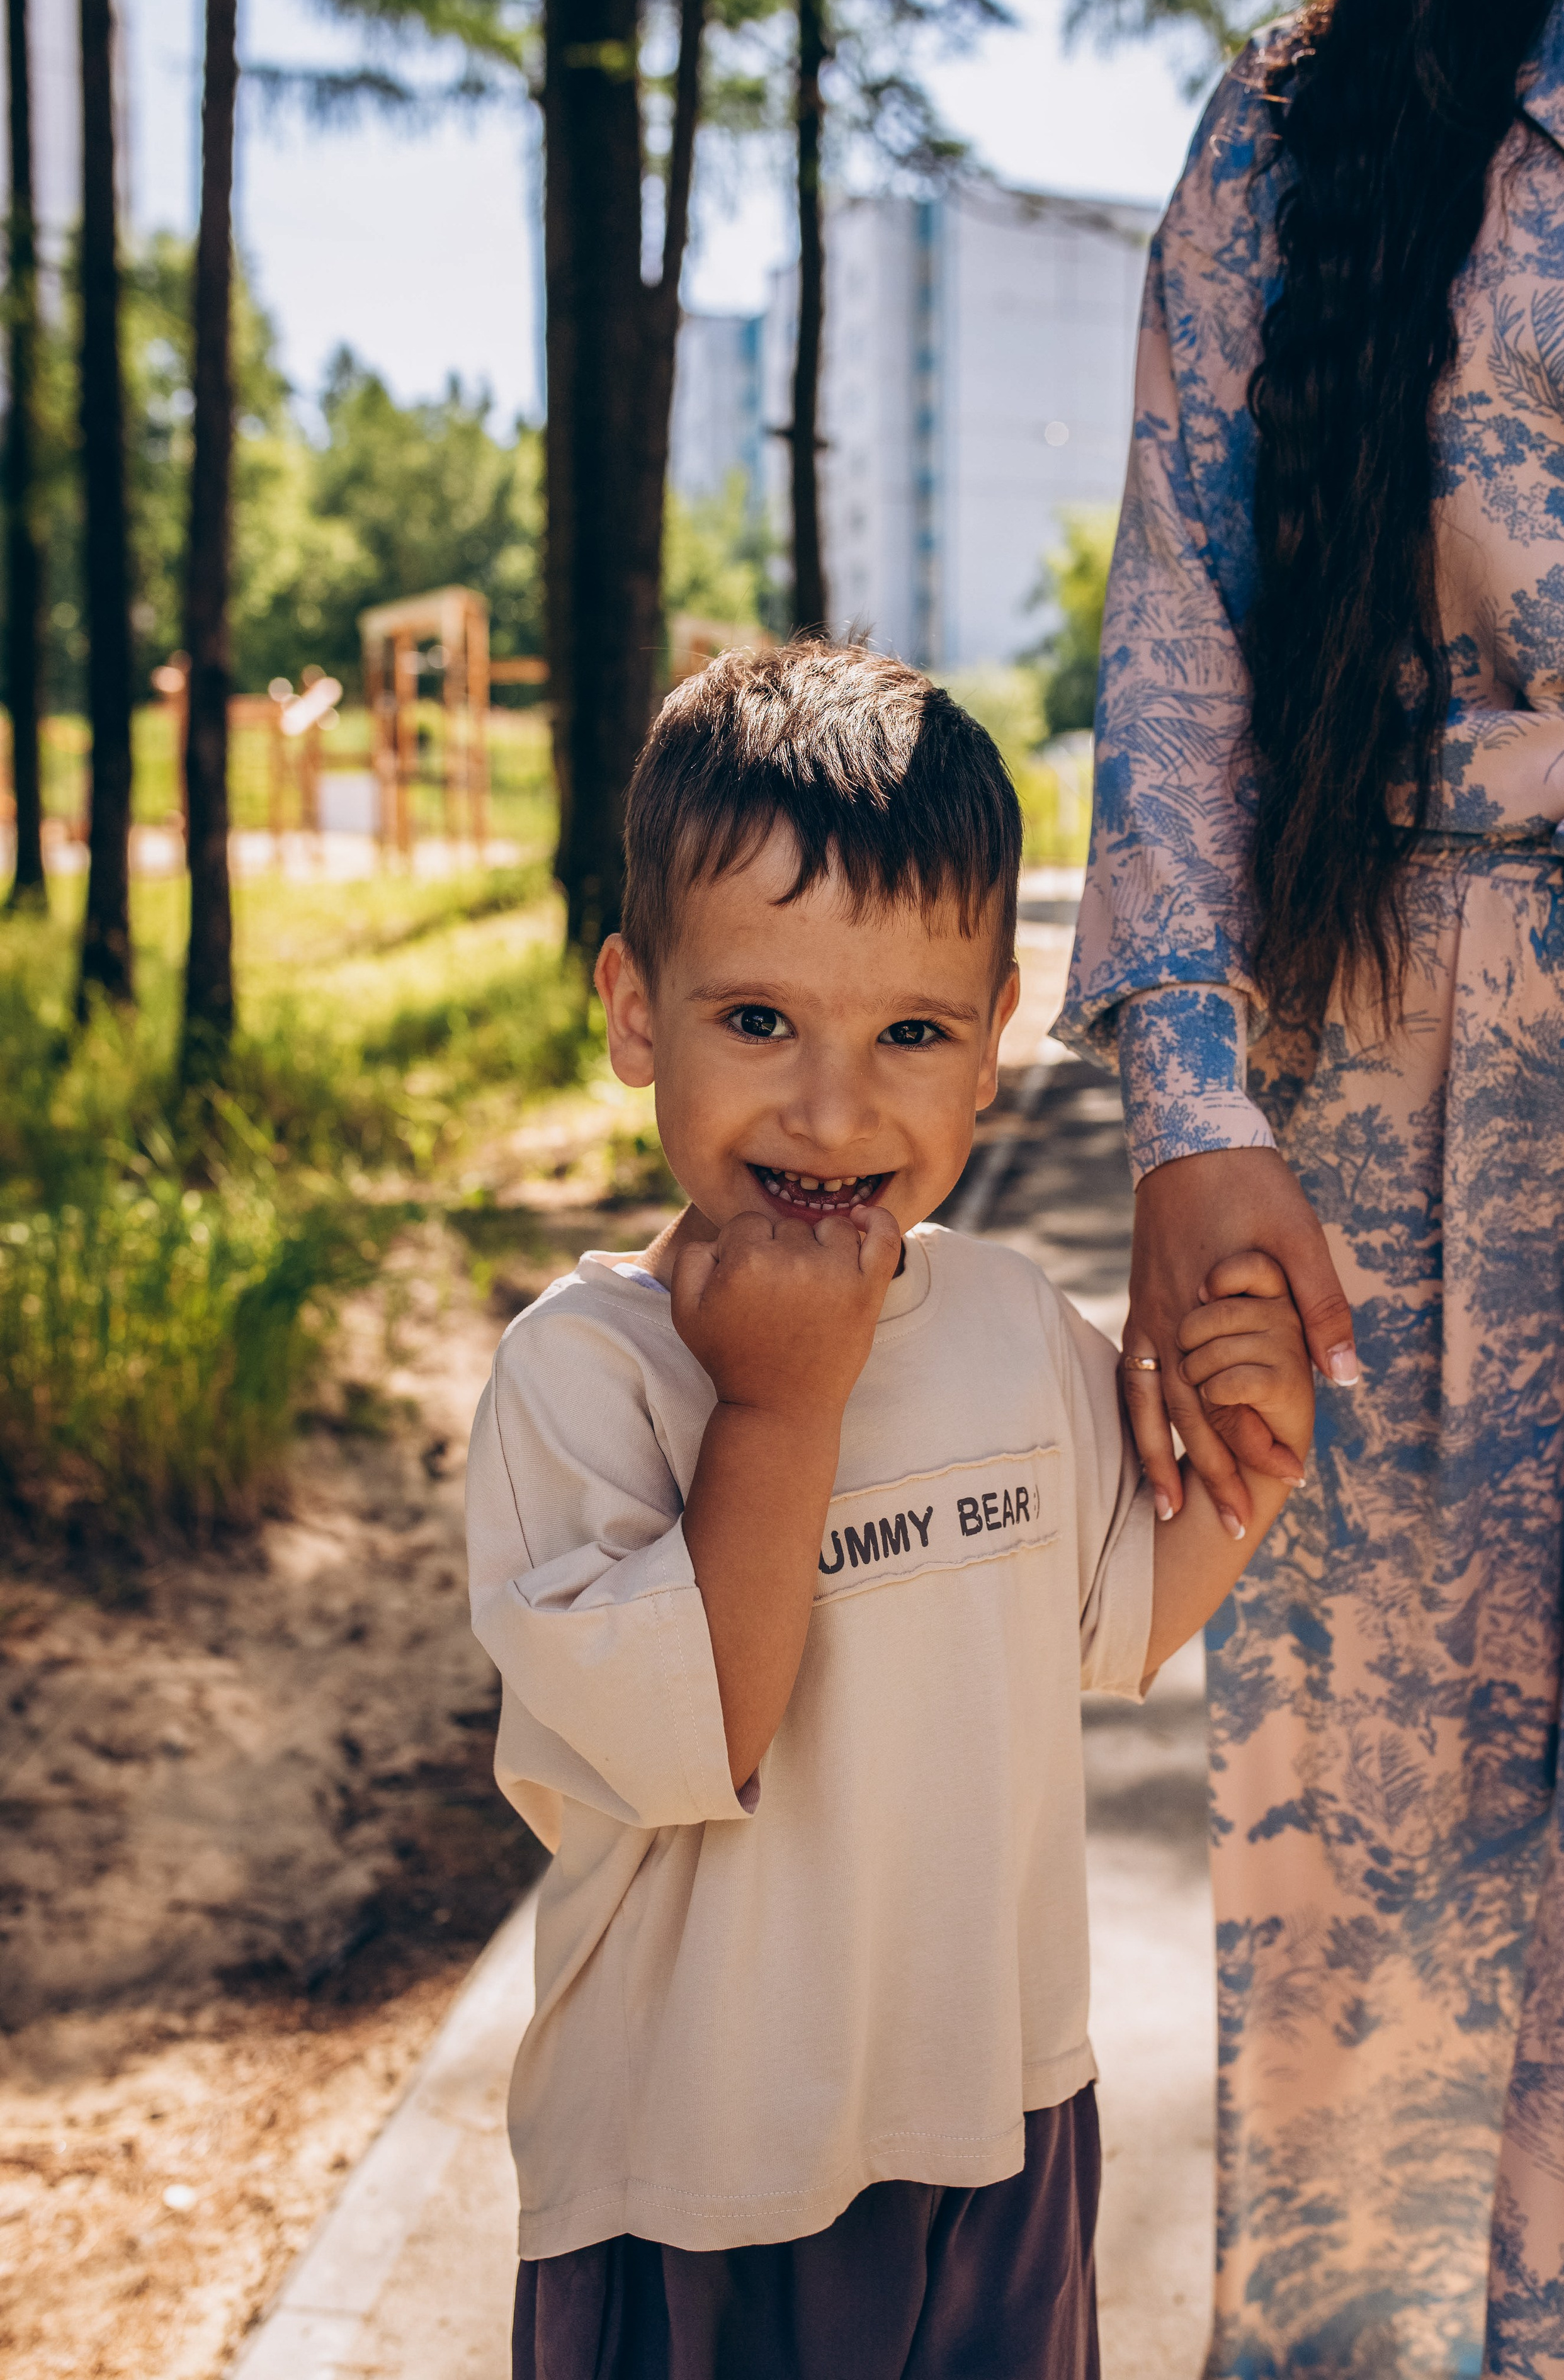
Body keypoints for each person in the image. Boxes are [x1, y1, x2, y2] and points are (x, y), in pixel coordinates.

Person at [467, 641, 1315, 2380]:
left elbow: (1115, 1613)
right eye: (760, 1019)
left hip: (993, 2123)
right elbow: (700, 1727)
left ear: (992, 1046)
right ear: (637, 1011)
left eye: (911, 1031)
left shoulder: (1011, 1324)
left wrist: (1251, 1461)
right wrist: (779, 1398)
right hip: (693, 2175)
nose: (837, 1109)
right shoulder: (585, 1380)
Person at [1060, 0, 1564, 2369]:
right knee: (1366, 1959)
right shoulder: (1312, 106)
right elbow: (1185, 634)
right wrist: (1190, 1103)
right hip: (1396, 1096)